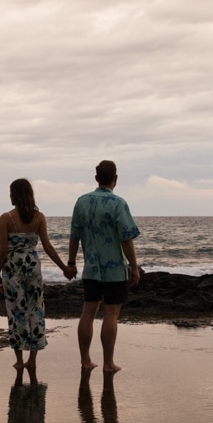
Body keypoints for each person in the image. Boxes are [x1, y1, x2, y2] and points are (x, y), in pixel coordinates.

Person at [0, 178, 77, 369]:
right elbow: (47, 247)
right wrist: (64, 268)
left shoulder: (6, 218)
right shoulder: (39, 218)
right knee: (36, 310)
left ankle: (19, 361)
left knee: (16, 312)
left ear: (13, 195)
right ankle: (32, 360)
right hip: (33, 267)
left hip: (13, 268)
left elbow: (2, 250)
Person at [67, 160, 141, 373]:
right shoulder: (118, 203)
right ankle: (108, 363)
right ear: (115, 179)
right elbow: (126, 239)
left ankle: (85, 360)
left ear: (96, 178)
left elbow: (74, 236)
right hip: (114, 270)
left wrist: (71, 263)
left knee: (87, 313)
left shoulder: (82, 202)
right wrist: (134, 267)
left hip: (91, 268)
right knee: (111, 314)